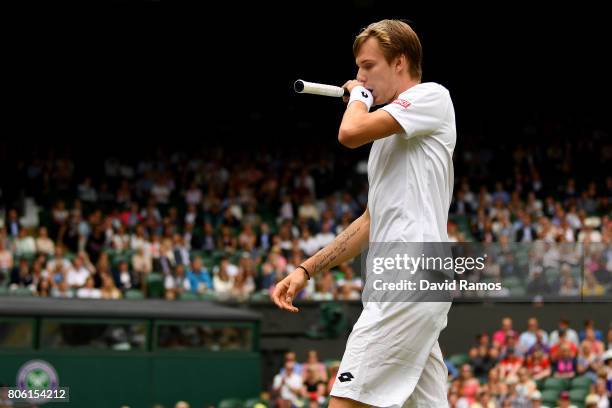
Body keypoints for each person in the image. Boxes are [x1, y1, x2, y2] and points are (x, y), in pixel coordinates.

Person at [273, 19, 456, 408]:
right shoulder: (386, 141)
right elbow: (370, 222)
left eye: (368, 66)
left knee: (346, 401)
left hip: (409, 273)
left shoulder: (432, 96)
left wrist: (358, 96)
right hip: (409, 281)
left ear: (400, 63)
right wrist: (306, 269)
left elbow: (348, 133)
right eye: (358, 69)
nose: (359, 76)